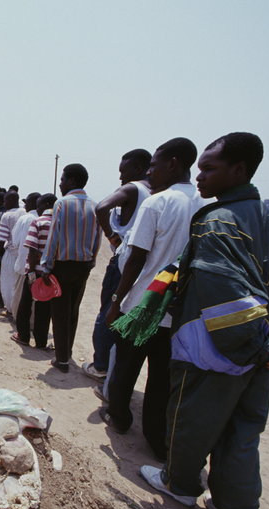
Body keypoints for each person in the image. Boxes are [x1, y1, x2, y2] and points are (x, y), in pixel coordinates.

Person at [139, 132, 269, 509]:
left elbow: (222, 291)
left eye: (210, 168)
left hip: (217, 349)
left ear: (238, 171)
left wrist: (257, 347)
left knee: (191, 419)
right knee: (243, 430)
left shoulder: (217, 223)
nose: (200, 176)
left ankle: (180, 485)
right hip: (261, 350)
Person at [102, 138, 203, 460]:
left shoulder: (157, 203)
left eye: (155, 165)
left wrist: (117, 301)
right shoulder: (205, 204)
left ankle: (119, 418)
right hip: (177, 309)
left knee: (126, 367)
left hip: (144, 305)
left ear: (173, 163)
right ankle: (156, 439)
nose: (150, 172)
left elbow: (136, 258)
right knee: (162, 378)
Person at [83, 149, 152, 380]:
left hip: (123, 261)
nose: (121, 178)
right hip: (144, 265)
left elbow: (101, 208)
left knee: (109, 311)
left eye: (124, 172)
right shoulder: (157, 193)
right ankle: (112, 366)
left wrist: (112, 236)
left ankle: (101, 365)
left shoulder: (132, 189)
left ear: (140, 169)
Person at [39, 164, 99, 372]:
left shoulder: (62, 203)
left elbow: (54, 237)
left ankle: (62, 359)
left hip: (62, 266)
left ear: (72, 180)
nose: (60, 183)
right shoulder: (94, 204)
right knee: (73, 310)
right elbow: (96, 238)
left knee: (60, 312)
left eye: (63, 179)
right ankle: (68, 352)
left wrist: (46, 266)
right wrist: (92, 260)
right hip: (83, 266)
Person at [14, 193, 56, 349]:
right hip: (51, 274)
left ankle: (23, 336)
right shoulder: (60, 223)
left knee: (25, 305)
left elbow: (32, 250)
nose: (36, 209)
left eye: (38, 205)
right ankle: (41, 341)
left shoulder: (38, 222)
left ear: (45, 205)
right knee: (44, 310)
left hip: (35, 272)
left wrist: (31, 272)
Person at [8, 192, 41, 328]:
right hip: (39, 266)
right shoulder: (43, 219)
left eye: (26, 202)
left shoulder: (26, 218)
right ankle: (33, 324)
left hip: (23, 263)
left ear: (33, 203)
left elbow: (14, 241)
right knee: (36, 298)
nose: (25, 205)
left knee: (20, 296)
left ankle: (20, 323)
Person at [0, 190, 26, 313]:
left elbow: (1, 239)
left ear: (10, 200)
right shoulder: (25, 212)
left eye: (5, 200)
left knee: (7, 283)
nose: (4, 203)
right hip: (24, 254)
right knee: (19, 284)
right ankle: (18, 310)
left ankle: (9, 309)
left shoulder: (7, 215)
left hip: (10, 254)